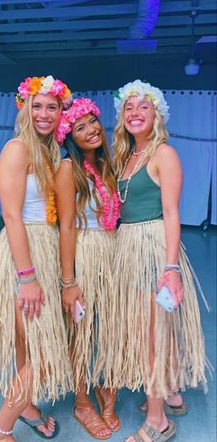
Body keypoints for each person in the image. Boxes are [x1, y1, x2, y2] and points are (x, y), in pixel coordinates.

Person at [105, 79, 209, 442]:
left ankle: (158, 421)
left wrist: (171, 268)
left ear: (157, 115)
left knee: (153, 336)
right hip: (128, 249)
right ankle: (173, 393)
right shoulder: (126, 156)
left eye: (143, 107)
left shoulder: (164, 154)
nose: (135, 113)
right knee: (153, 327)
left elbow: (170, 212)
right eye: (128, 108)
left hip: (152, 247)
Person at [0, 75, 73, 442]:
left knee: (27, 342)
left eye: (52, 106)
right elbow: (11, 215)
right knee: (47, 352)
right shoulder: (17, 148)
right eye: (37, 105)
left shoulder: (50, 152)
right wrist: (27, 277)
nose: (44, 113)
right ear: (25, 107)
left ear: (61, 112)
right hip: (25, 256)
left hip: (43, 249)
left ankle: (28, 406)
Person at [55, 98, 121, 440]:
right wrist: (69, 281)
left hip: (112, 255)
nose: (91, 130)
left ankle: (107, 389)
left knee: (112, 327)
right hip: (83, 254)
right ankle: (82, 402)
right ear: (70, 137)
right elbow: (66, 226)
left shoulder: (109, 166)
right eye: (80, 128)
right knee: (80, 333)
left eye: (93, 122)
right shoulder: (69, 168)